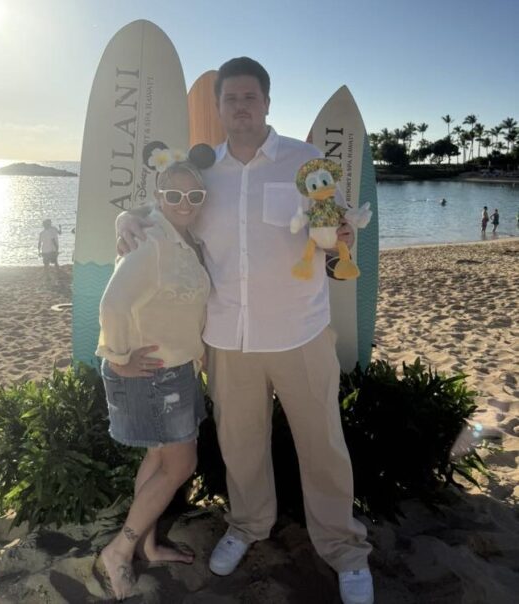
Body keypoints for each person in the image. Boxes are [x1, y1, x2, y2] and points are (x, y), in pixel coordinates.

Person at [116, 58, 373, 604]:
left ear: (267, 103)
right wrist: (125, 218)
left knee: (324, 447)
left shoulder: (305, 161)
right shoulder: (204, 171)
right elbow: (167, 206)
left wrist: (343, 234)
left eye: (250, 97)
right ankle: (248, 525)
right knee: (240, 446)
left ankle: (344, 549)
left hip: (301, 333)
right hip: (228, 338)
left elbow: (339, 224)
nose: (240, 107)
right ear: (218, 107)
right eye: (230, 98)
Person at [95, 158, 211, 600]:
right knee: (181, 465)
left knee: (159, 458)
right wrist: (118, 358)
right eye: (174, 194)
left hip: (176, 369)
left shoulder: (182, 238)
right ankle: (120, 550)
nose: (185, 202)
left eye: (194, 195)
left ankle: (146, 543)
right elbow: (113, 303)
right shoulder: (153, 239)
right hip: (157, 375)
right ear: (160, 196)